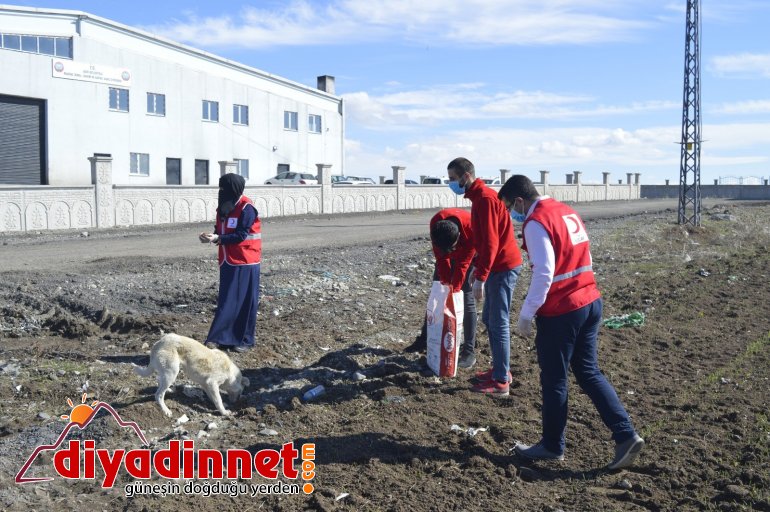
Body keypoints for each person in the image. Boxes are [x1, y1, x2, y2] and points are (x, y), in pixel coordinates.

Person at [498, 174, 644, 470]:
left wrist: (526, 314)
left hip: (562, 310)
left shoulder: (536, 222)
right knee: (588, 372)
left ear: (519, 201)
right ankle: (626, 435)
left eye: (510, 209)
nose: (513, 217)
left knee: (555, 379)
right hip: (589, 300)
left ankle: (552, 446)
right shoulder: (565, 211)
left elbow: (544, 272)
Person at [446, 157, 522, 395]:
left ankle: (501, 382)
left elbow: (491, 242)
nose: (451, 184)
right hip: (496, 266)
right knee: (490, 320)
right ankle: (501, 369)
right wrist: (478, 266)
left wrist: (481, 276)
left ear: (466, 176)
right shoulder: (479, 197)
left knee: (498, 323)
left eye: (452, 179)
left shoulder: (485, 199)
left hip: (503, 267)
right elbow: (484, 239)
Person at [404, 208, 478, 369]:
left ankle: (469, 350)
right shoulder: (436, 223)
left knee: (466, 296)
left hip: (470, 254)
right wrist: (445, 284)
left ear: (458, 238)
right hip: (446, 249)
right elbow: (441, 258)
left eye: (451, 249)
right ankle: (424, 338)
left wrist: (455, 290)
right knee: (437, 291)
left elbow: (463, 265)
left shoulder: (471, 228)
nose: (449, 253)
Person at [199, 173, 261, 353]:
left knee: (244, 302)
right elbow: (220, 231)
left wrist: (219, 237)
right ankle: (224, 339)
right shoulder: (223, 208)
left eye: (224, 188)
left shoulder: (247, 208)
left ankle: (245, 340)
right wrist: (210, 237)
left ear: (233, 189)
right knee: (228, 301)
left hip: (245, 261)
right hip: (228, 261)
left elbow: (242, 235)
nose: (221, 192)